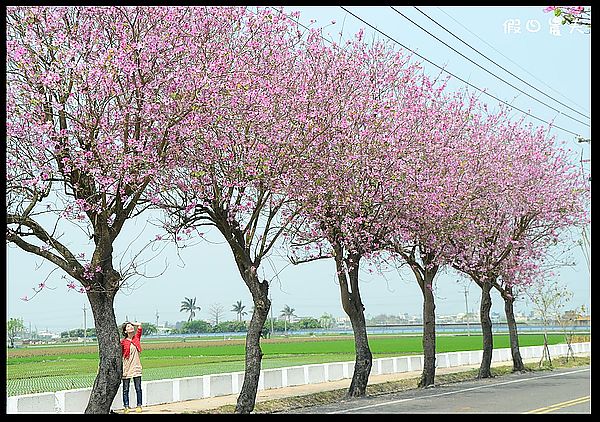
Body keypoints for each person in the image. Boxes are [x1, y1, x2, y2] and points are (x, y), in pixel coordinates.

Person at [121, 321, 143, 413]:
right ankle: (126, 406)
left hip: (136, 366)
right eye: (128, 327)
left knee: (138, 388)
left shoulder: (136, 338)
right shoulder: (122, 342)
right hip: (126, 367)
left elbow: (140, 327)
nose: (131, 327)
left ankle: (139, 405)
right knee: (125, 388)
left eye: (131, 326)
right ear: (125, 331)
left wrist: (133, 323)